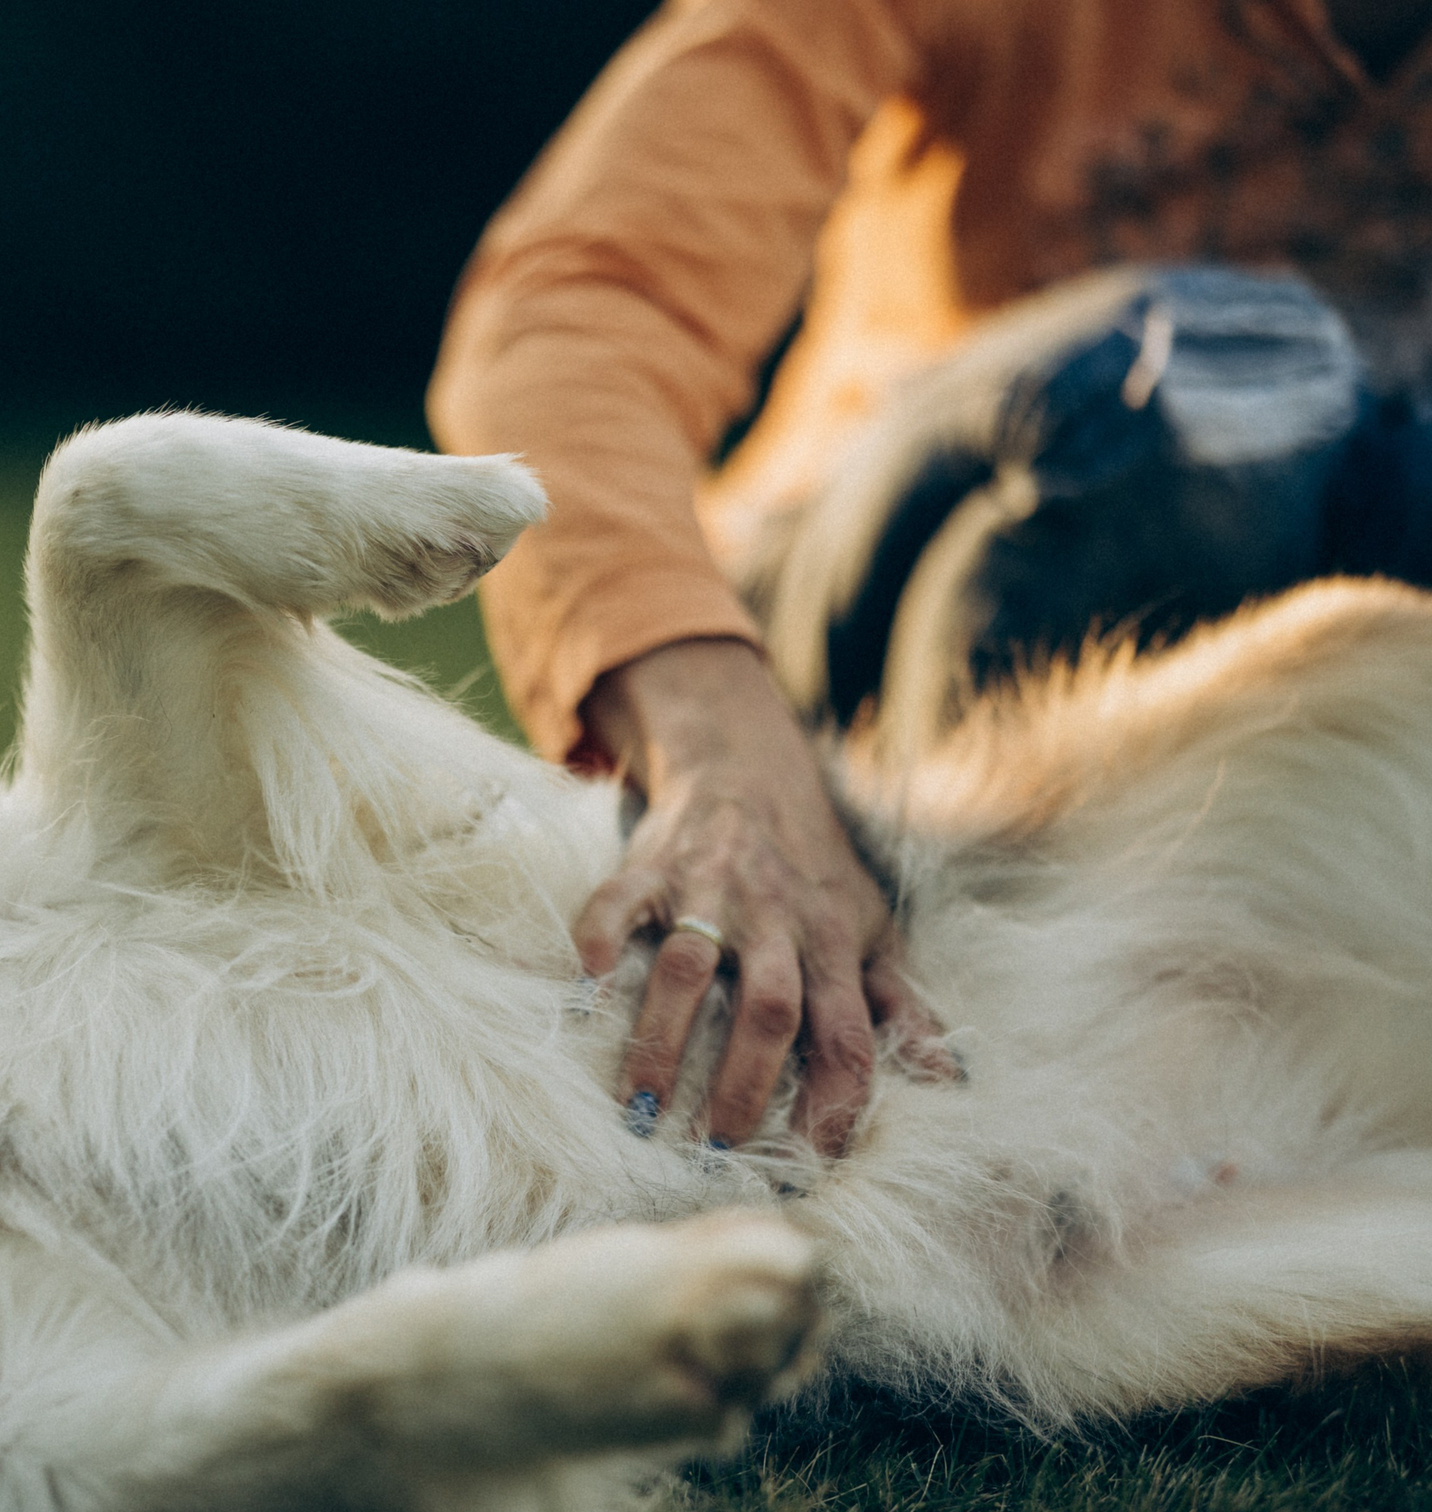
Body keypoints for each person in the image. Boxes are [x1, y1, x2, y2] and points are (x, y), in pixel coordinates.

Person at [428, 0, 1432, 1154]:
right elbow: (581, 302)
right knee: (1227, 382)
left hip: (1280, 693)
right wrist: (714, 740)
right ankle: (946, 1050)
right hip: (831, 656)